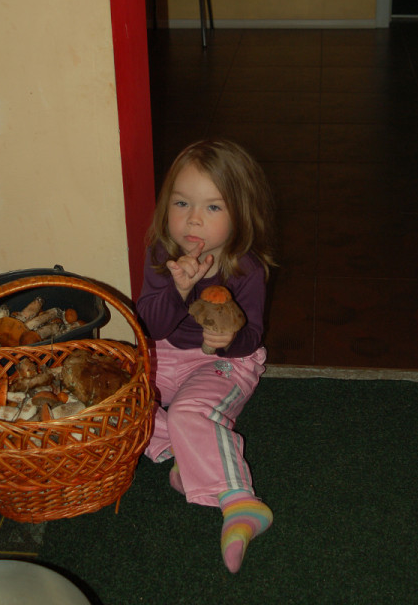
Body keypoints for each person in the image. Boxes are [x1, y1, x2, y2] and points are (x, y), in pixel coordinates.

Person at [136, 138, 276, 573]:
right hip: (164, 352)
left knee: (188, 412)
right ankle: (185, 452)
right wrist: (177, 290)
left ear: (240, 215)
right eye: (182, 203)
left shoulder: (246, 268)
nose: (193, 218)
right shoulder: (162, 254)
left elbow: (251, 336)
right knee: (123, 402)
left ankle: (240, 502)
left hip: (224, 362)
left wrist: (227, 340)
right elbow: (151, 326)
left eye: (213, 207)